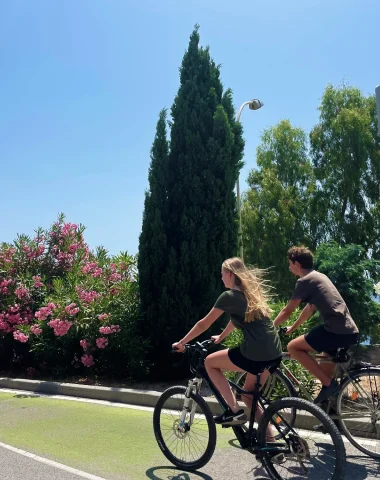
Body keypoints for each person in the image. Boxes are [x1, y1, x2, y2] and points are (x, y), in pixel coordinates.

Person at [172, 257, 283, 437]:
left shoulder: (228, 296)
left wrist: (182, 343)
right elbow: (235, 320)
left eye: (222, 274)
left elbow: (203, 324)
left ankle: (234, 411)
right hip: (274, 352)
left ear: (230, 274)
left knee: (210, 363)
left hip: (256, 352)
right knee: (248, 396)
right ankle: (270, 442)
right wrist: (221, 337)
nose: (221, 278)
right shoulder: (251, 294)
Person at [273, 246, 359, 404]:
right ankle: (329, 414)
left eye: (290, 264)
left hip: (335, 330)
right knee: (324, 366)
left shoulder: (304, 281)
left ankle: (329, 384)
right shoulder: (318, 277)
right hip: (348, 331)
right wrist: (293, 328)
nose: (289, 267)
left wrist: (270, 327)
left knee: (293, 347)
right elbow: (309, 309)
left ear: (297, 264)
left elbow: (287, 311)